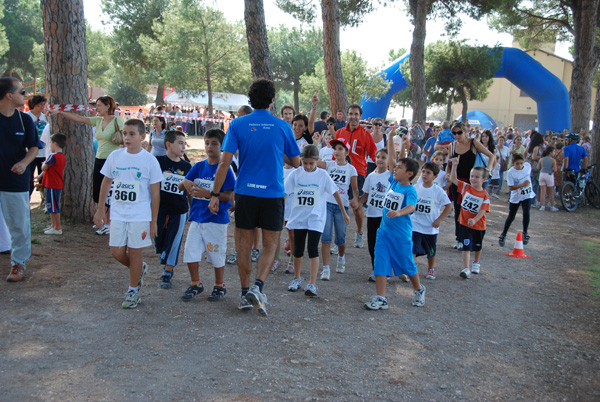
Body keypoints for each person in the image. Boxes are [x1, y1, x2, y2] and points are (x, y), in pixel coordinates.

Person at [209, 78, 301, 317]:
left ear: (250, 100)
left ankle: (244, 293)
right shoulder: (282, 126)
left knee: (243, 245)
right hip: (272, 194)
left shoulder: (238, 124)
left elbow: (224, 162)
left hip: (245, 193)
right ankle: (258, 287)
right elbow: (297, 161)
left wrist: (215, 194)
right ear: (272, 101)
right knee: (271, 244)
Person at [93, 119, 163, 309]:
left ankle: (133, 291)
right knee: (116, 252)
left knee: (135, 251)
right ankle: (139, 269)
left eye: (132, 134)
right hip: (117, 213)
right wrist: (100, 209)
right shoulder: (115, 156)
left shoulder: (150, 161)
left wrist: (153, 221)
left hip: (140, 215)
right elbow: (106, 183)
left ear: (142, 137)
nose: (127, 137)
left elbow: (155, 193)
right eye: (124, 133)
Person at [364, 126, 425, 310]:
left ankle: (419, 289)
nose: (395, 169)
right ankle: (381, 298)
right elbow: (392, 159)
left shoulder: (409, 190)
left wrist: (400, 212)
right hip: (384, 232)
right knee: (380, 263)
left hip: (400, 235)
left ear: (409, 174)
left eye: (400, 168)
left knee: (408, 265)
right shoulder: (393, 182)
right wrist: (389, 137)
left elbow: (412, 206)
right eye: (396, 167)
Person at [51, 95, 125, 235]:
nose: (96, 108)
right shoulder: (98, 121)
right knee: (98, 191)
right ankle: (101, 220)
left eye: (99, 105)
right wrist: (60, 112)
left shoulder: (118, 120)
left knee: (110, 191)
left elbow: (125, 136)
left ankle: (108, 223)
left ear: (108, 106)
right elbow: (79, 119)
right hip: (99, 158)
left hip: (114, 160)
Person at [285, 145, 349, 296]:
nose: (307, 167)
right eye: (304, 163)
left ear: (317, 161)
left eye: (311, 163)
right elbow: (285, 192)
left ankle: (312, 283)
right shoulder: (295, 174)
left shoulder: (323, 175)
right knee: (298, 249)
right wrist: (280, 210)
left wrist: (344, 212)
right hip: (299, 217)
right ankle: (297, 278)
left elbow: (335, 193)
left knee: (312, 248)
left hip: (316, 218)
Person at [179, 128, 235, 302]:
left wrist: (209, 194)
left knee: (216, 254)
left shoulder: (225, 169)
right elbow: (182, 185)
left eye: (215, 143)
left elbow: (229, 196)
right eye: (207, 143)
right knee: (190, 252)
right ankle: (196, 283)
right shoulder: (198, 166)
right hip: (197, 217)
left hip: (216, 219)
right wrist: (187, 182)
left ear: (222, 146)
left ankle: (219, 285)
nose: (210, 147)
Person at [0, 77, 38, 282]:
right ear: (9, 95)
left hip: (15, 182)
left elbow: (34, 146)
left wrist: (24, 163)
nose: (25, 95)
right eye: (22, 92)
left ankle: (18, 264)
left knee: (19, 226)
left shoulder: (25, 120)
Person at [334, 103, 378, 249]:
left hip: (358, 173)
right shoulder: (339, 132)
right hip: (340, 172)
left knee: (356, 207)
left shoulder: (366, 134)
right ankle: (339, 239)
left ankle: (359, 232)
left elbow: (374, 153)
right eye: (351, 114)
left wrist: (381, 171)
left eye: (356, 114)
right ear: (347, 115)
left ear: (360, 116)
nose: (353, 117)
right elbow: (335, 152)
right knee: (337, 205)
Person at [446, 121, 493, 251]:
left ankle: (472, 237)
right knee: (458, 209)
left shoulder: (473, 143)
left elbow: (491, 156)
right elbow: (449, 164)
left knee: (471, 210)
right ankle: (459, 238)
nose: (457, 135)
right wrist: (448, 174)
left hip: (472, 183)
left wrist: (487, 170)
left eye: (459, 132)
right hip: (457, 182)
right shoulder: (452, 146)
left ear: (465, 131)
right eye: (454, 133)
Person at [154, 130, 191, 289]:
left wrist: (192, 208)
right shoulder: (157, 162)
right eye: (180, 143)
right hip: (159, 209)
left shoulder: (186, 166)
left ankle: (168, 271)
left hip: (179, 210)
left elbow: (189, 189)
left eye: (184, 143)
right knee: (159, 240)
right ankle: (163, 252)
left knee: (174, 240)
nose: (183, 146)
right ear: (168, 145)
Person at [316, 137, 358, 280]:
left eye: (340, 149)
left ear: (347, 152)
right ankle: (326, 268)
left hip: (342, 206)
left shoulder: (351, 169)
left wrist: (355, 200)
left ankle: (341, 257)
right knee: (326, 237)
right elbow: (314, 161)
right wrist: (315, 144)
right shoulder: (328, 165)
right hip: (326, 205)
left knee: (340, 238)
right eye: (335, 149)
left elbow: (354, 188)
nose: (337, 151)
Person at [449, 156, 490, 279]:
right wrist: (455, 165)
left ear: (484, 179)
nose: (473, 179)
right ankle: (466, 268)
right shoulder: (466, 187)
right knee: (466, 246)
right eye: (472, 176)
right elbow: (453, 179)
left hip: (478, 226)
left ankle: (476, 262)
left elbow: (483, 211)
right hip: (465, 224)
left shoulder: (485, 195)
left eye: (477, 177)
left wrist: (475, 220)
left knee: (477, 246)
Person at [412, 162, 452, 280]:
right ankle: (411, 270)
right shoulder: (415, 187)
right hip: (415, 225)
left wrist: (439, 220)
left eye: (428, 173)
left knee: (431, 251)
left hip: (430, 228)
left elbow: (449, 206)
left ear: (435, 176)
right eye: (423, 171)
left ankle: (431, 268)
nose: (424, 174)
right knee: (412, 249)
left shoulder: (438, 191)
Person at [358, 148, 390, 282]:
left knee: (385, 244)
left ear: (388, 160)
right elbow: (366, 193)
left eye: (383, 157)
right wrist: (358, 203)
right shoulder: (370, 176)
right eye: (378, 157)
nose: (380, 160)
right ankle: (375, 269)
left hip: (385, 216)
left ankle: (386, 271)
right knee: (372, 244)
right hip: (371, 215)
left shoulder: (391, 176)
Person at [498, 153, 536, 247]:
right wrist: (522, 185)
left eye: (521, 163)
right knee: (511, 216)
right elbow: (511, 187)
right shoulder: (511, 172)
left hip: (527, 195)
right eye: (517, 164)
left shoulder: (527, 166)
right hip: (516, 197)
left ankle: (525, 232)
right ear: (513, 163)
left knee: (526, 213)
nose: (519, 166)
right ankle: (503, 234)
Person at [40, 134, 67, 235]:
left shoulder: (53, 156)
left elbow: (44, 167)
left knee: (53, 207)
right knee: (50, 206)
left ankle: (57, 227)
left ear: (55, 144)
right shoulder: (62, 156)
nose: (50, 145)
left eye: (50, 143)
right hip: (54, 184)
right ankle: (53, 225)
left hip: (52, 185)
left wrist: (43, 164)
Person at [26, 95, 48, 196]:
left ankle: (44, 200)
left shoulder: (45, 117)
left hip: (43, 152)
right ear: (34, 105)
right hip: (30, 152)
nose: (42, 106)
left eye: (44, 104)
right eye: (40, 104)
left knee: (43, 178)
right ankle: (27, 197)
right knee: (29, 177)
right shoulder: (27, 117)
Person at [525, 130, 544, 207]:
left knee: (532, 184)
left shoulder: (531, 146)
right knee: (534, 184)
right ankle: (532, 201)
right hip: (535, 167)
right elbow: (534, 157)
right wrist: (542, 157)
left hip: (532, 166)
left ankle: (530, 200)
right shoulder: (536, 148)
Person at [538, 146, 559, 211]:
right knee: (551, 192)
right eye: (553, 151)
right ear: (550, 152)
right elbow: (555, 170)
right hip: (549, 175)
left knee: (543, 192)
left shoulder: (541, 159)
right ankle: (552, 206)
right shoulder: (553, 160)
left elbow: (538, 168)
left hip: (542, 174)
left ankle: (542, 206)